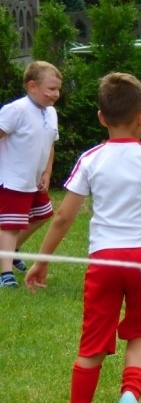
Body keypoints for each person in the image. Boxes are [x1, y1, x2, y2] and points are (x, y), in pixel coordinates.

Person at [24, 72, 141, 403]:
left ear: (101, 117)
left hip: (105, 261)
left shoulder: (90, 159)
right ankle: (130, 393)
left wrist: (42, 260)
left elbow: (63, 216)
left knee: (92, 343)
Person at [0, 61, 61, 288]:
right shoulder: (16, 110)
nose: (56, 94)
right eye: (51, 89)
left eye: (58, 89)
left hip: (34, 181)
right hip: (14, 180)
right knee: (10, 226)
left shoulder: (51, 112)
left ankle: (11, 250)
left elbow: (50, 144)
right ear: (32, 86)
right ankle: (5, 274)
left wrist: (47, 171)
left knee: (43, 214)